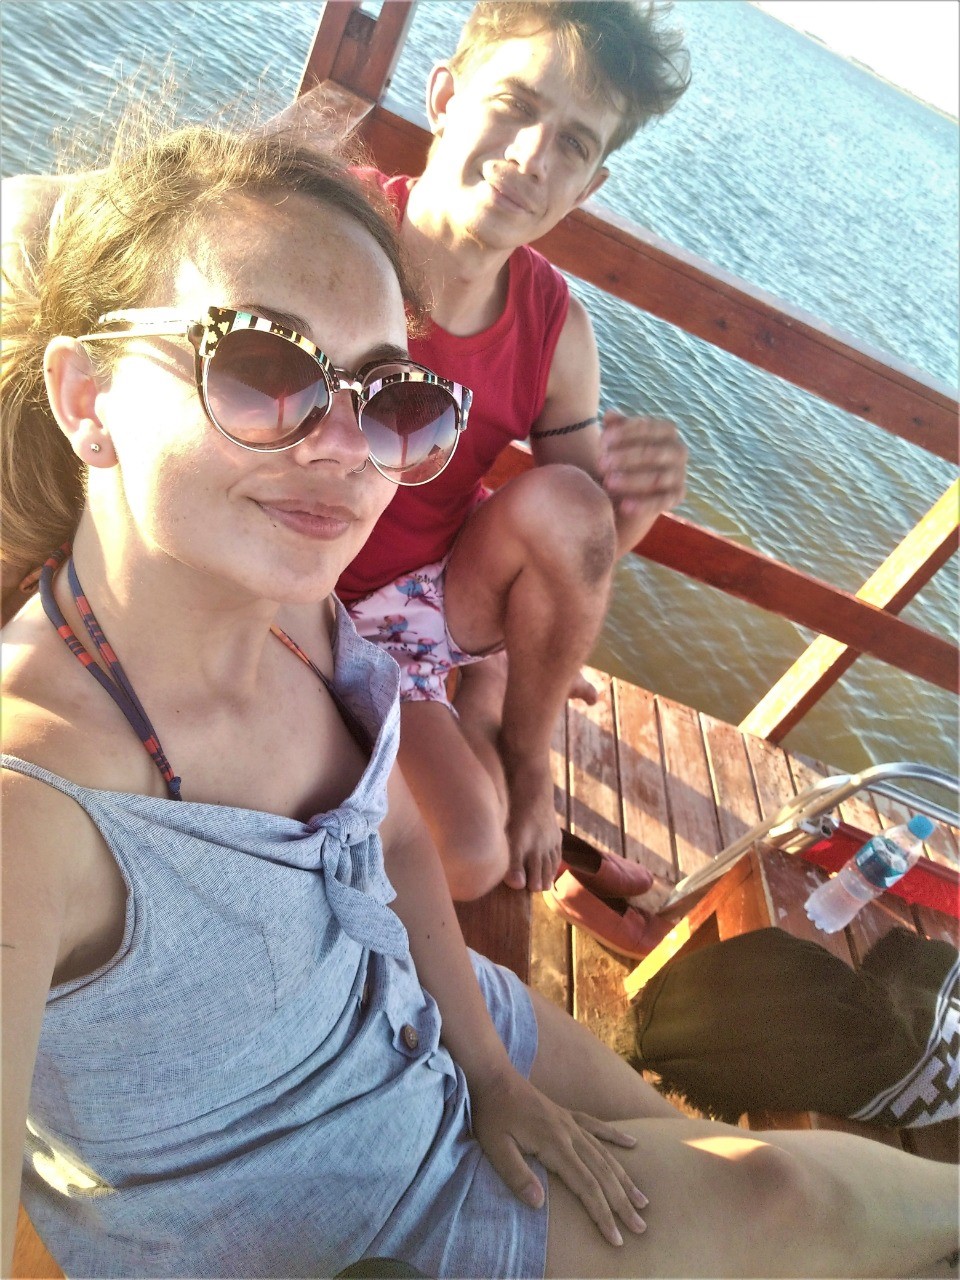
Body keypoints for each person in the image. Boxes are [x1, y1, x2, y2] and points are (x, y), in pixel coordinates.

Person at [2, 116, 959, 1280]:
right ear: (86, 395)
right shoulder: (30, 802)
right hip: (351, 1219)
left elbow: (400, 836)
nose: (345, 445)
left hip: (433, 1006)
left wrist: (492, 1074)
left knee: (752, 1179)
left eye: (388, 396)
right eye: (262, 366)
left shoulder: (303, 617)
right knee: (783, 1197)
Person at [338, 1, 691, 902]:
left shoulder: (556, 329)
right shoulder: (334, 232)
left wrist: (632, 506)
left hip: (416, 607)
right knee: (465, 849)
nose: (534, 157)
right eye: (516, 105)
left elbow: (579, 550)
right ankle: (485, 691)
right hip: (285, 574)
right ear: (445, 98)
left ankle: (523, 748)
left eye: (572, 143)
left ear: (588, 186)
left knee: (471, 857)